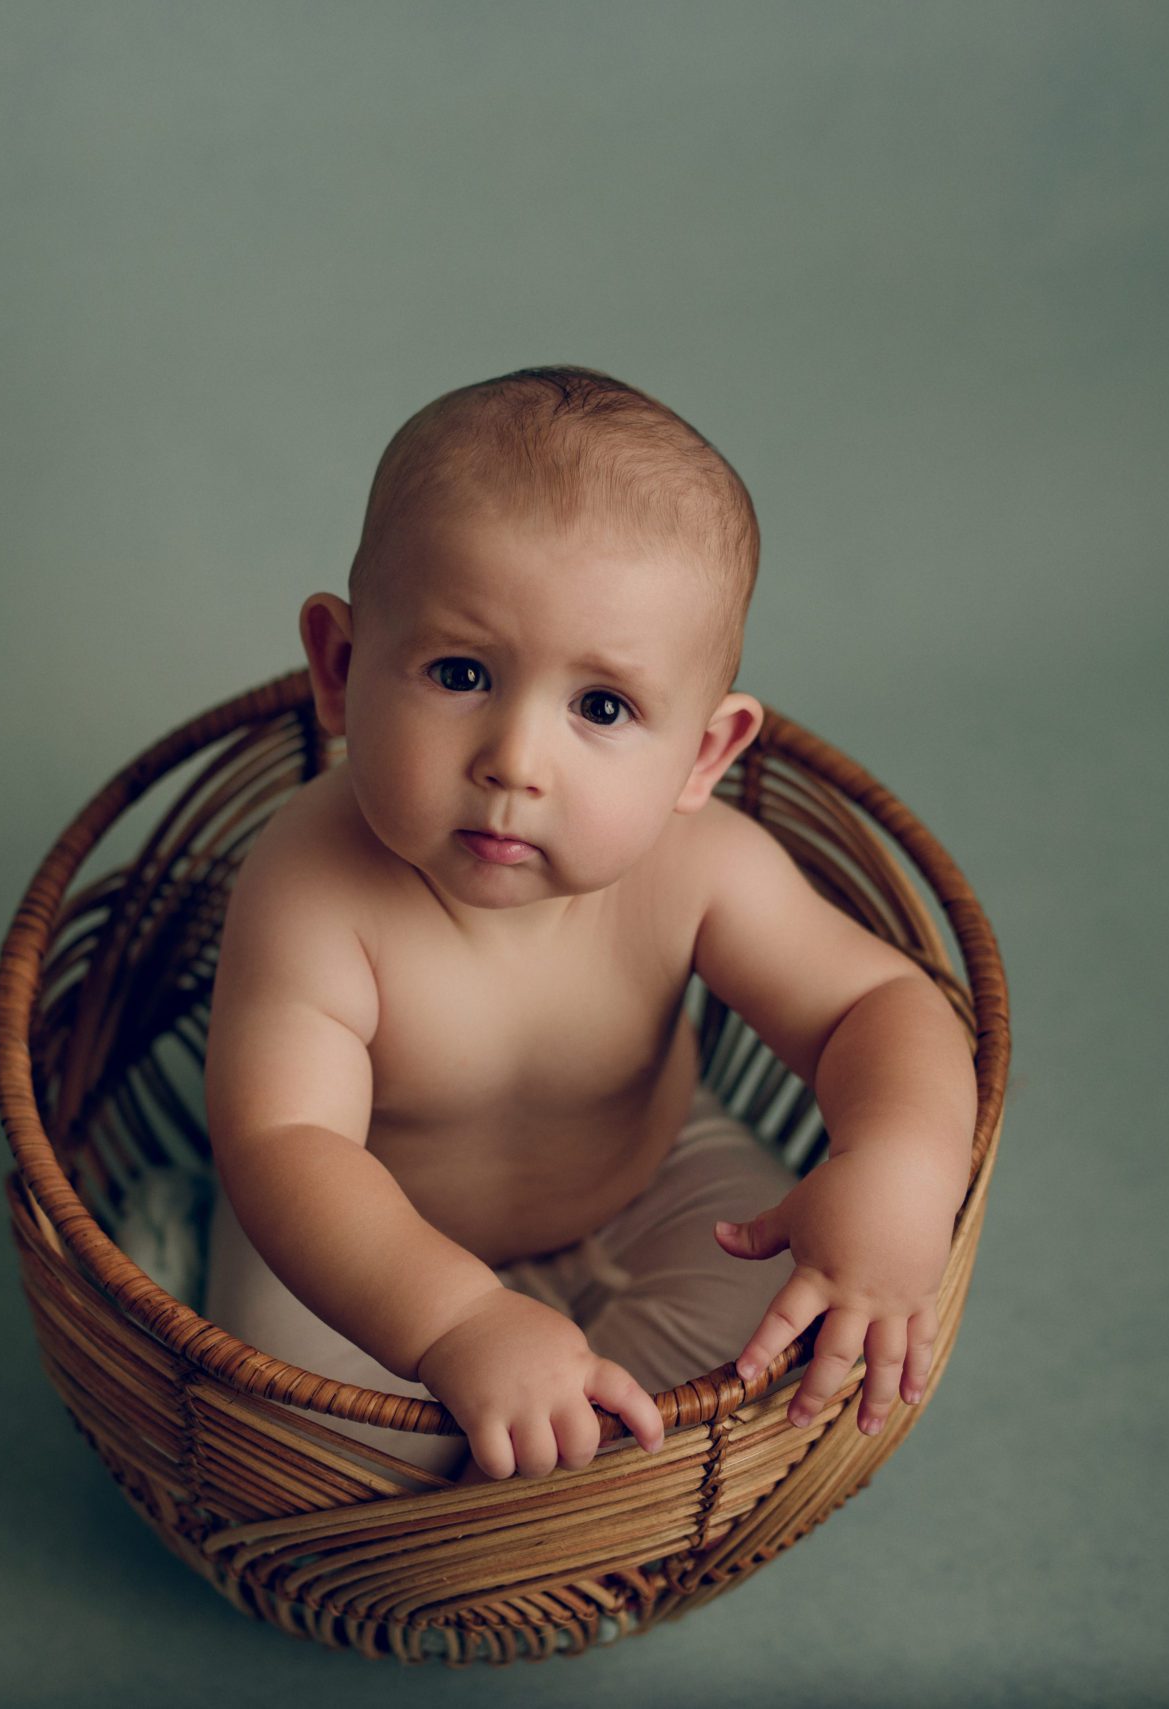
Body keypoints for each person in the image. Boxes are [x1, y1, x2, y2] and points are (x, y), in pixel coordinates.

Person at [201, 365, 978, 1483]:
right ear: (340, 665)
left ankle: (595, 1465)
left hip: (655, 1181)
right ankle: (495, 1466)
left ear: (704, 755)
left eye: (600, 706)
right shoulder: (309, 885)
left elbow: (878, 1000)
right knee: (303, 1447)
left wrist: (899, 1161)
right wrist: (454, 1318)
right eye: (460, 672)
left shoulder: (700, 865)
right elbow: (286, 1143)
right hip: (361, 1243)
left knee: (808, 1338)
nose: (516, 761)